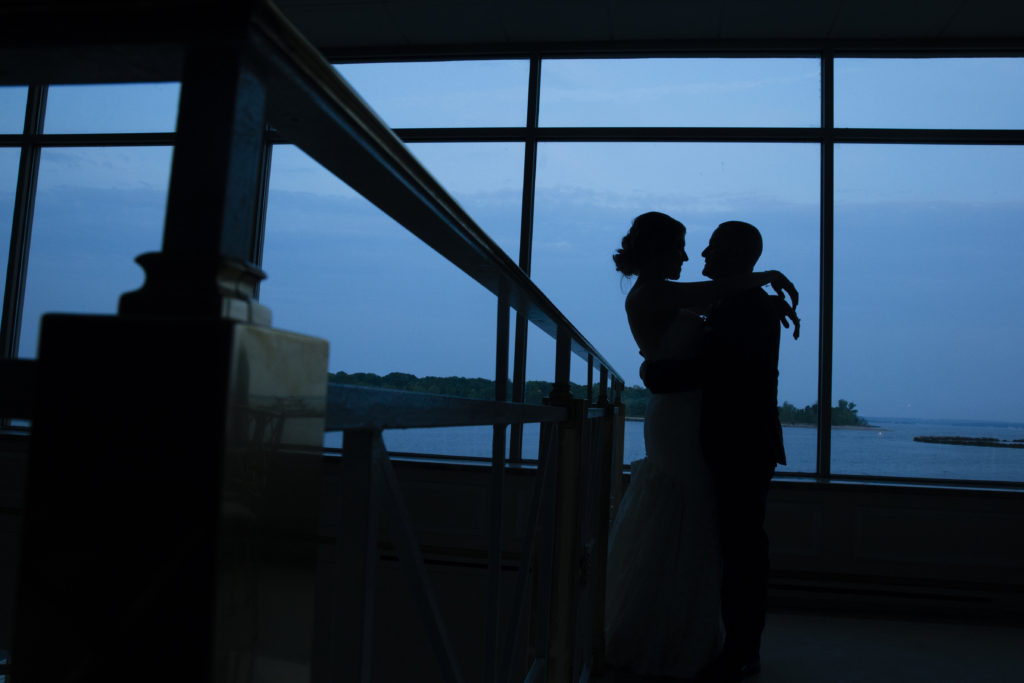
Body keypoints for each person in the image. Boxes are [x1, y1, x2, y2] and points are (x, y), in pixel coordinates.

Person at [605, 212, 796, 680]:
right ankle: (704, 637)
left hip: (725, 436)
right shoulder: (682, 295)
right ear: (657, 250)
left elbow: (718, 366)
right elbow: (709, 351)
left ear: (732, 254)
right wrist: (768, 279)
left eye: (709, 247)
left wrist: (652, 374)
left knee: (722, 538)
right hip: (688, 427)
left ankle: (725, 643)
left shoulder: (741, 304)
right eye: (685, 246)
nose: (696, 256)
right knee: (703, 528)